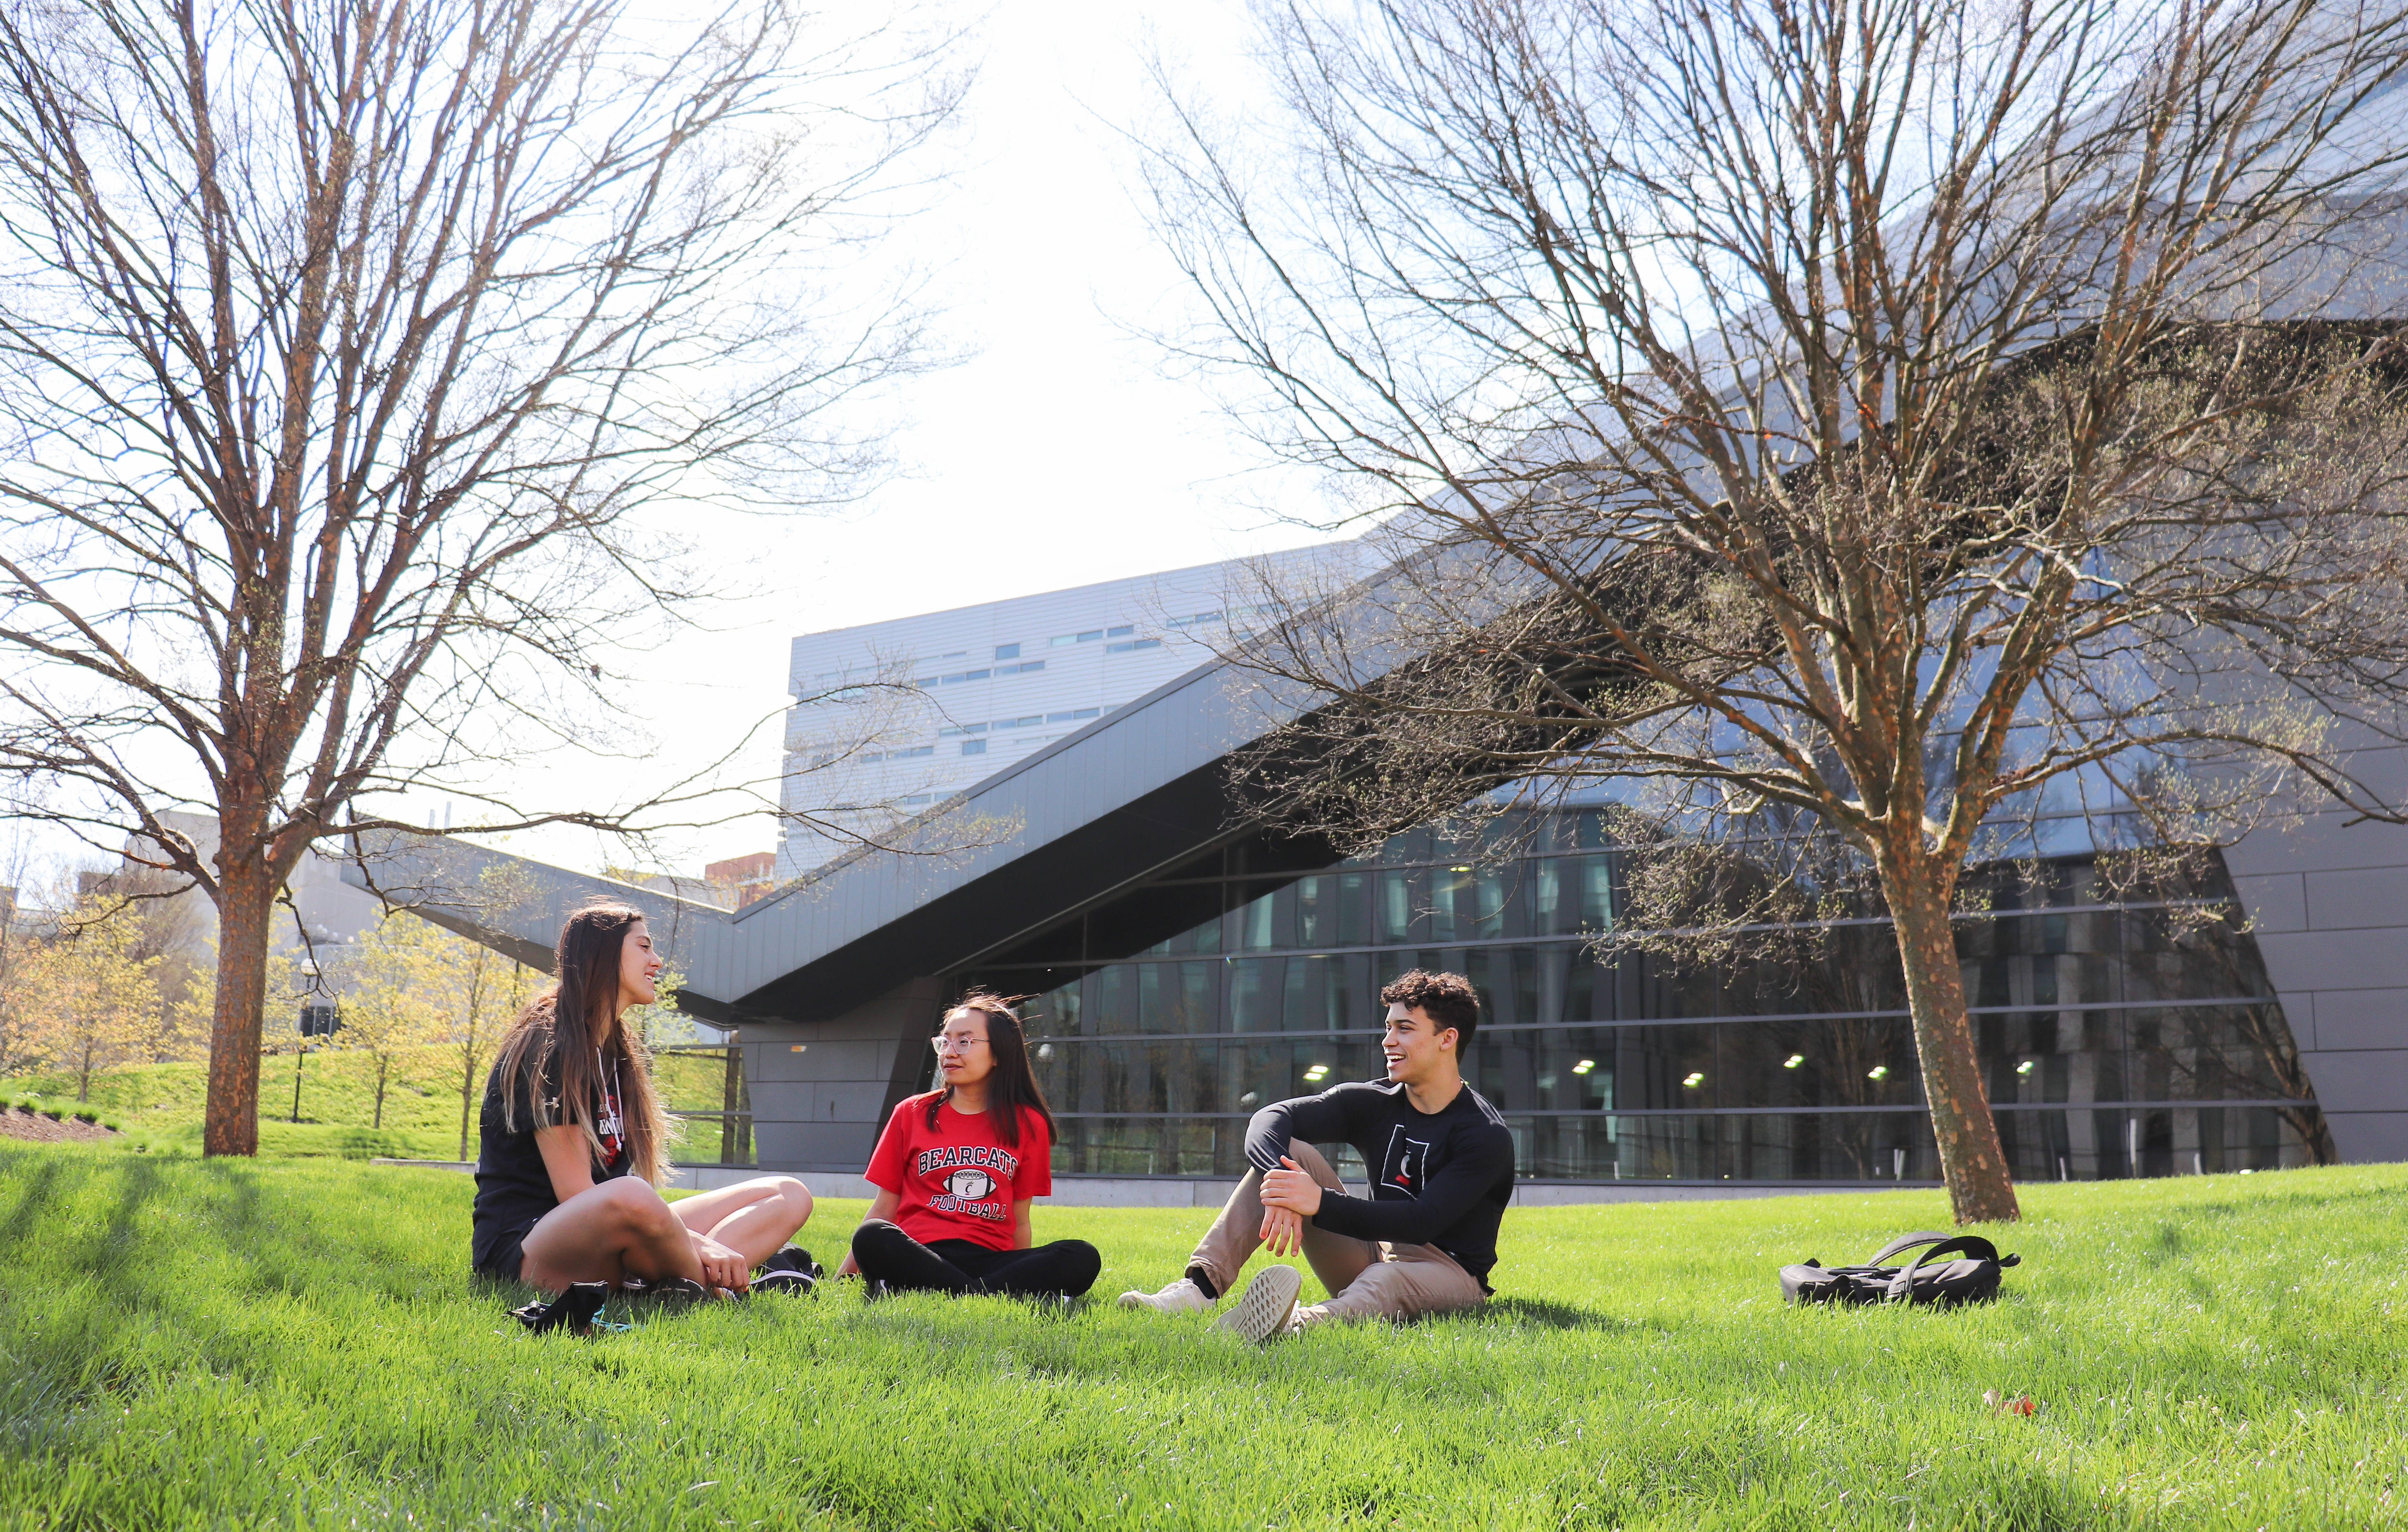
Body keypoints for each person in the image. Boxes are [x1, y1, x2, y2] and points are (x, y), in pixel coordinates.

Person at [1118, 969, 1514, 1342]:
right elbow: (1271, 1117)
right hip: (1376, 1252)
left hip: (1451, 1272)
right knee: (1291, 1153)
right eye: (1388, 1027)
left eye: (1405, 1029)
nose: (1388, 1041)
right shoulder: (1375, 1102)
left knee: (1387, 1282)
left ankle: (1295, 1324)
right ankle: (1197, 1290)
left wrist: (1318, 1203)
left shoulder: (1484, 1134)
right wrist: (1284, 1182)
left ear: (1448, 1039)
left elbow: (1421, 1221)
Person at [470, 899, 818, 1299]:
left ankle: (687, 1285)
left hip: (611, 1232)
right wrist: (702, 1244)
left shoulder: (618, 1052)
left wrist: (694, 1241)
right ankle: (712, 1289)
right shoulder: (550, 1046)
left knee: (789, 1194)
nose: (657, 961)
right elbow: (578, 1194)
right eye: (644, 946)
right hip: (528, 1248)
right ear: (601, 953)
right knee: (635, 1196)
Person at [835, 991, 1100, 1300]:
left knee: (1082, 1255)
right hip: (920, 1252)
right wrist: (843, 1277)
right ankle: (986, 1294)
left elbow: (1020, 1219)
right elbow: (884, 1207)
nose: (950, 1051)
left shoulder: (1028, 1123)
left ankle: (949, 1290)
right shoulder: (911, 1113)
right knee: (871, 1236)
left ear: (999, 1053)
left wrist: (1022, 1267)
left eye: (965, 1041)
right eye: (944, 1041)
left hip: (990, 1259)